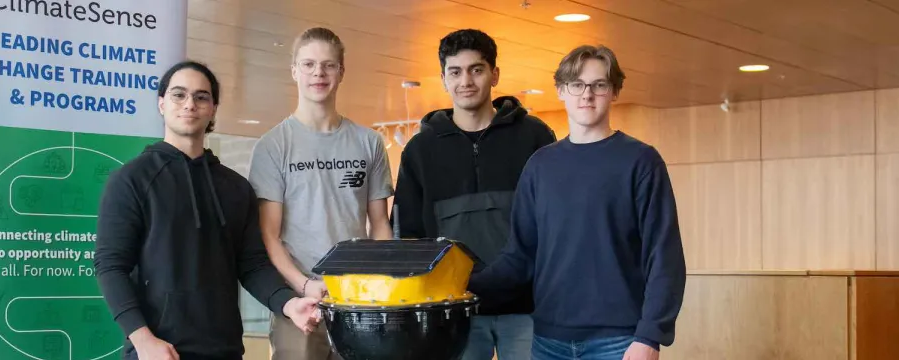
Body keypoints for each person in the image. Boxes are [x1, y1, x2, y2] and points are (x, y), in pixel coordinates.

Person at [468, 44, 686, 360]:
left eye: (599, 85)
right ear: (561, 91)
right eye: (577, 85)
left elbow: (664, 257)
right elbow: (520, 257)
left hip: (620, 342)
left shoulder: (640, 161)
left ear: (614, 92)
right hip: (547, 340)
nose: (587, 95)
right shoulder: (540, 166)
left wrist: (650, 336)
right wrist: (462, 285)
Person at [94, 60, 322, 360]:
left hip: (225, 351)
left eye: (201, 97)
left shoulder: (236, 188)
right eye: (179, 95)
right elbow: (110, 267)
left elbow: (252, 266)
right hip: (159, 352)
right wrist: (143, 340)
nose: (189, 104)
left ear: (213, 108)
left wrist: (288, 304)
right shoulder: (131, 179)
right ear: (162, 103)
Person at [392, 29, 555, 360]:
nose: (465, 80)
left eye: (476, 69)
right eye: (455, 71)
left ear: (494, 75)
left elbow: (556, 223)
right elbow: (408, 235)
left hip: (529, 309)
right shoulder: (419, 150)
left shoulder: (535, 136)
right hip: (453, 312)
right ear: (443, 79)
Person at [248, 27, 394, 360]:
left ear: (341, 71)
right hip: (299, 301)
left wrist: (377, 286)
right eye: (309, 64)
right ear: (294, 70)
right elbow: (268, 236)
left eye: (328, 65)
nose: (319, 73)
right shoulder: (273, 146)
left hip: (357, 300)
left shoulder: (368, 142)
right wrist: (303, 286)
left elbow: (380, 225)